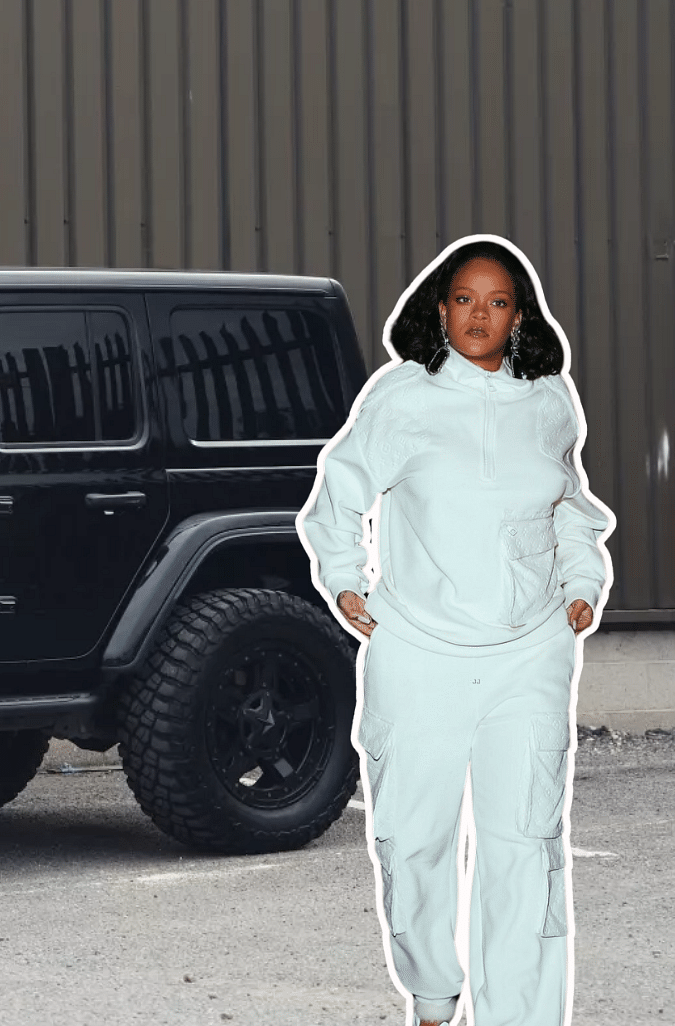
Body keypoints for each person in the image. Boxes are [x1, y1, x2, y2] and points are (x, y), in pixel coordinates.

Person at [298, 236, 613, 1026]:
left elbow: (571, 507)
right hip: (419, 651)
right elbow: (336, 496)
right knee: (412, 843)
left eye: (498, 302)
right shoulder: (402, 398)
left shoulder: (548, 400)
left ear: (518, 317)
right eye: (465, 299)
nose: (480, 315)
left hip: (528, 652)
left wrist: (582, 581)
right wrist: (344, 577)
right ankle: (434, 996)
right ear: (440, 308)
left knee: (525, 848)